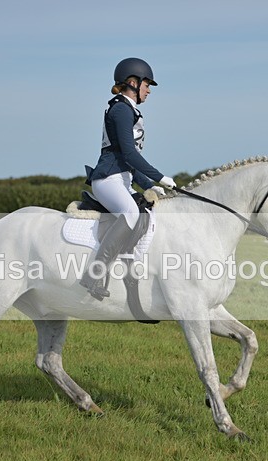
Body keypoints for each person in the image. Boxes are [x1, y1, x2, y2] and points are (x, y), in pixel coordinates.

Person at [80, 58, 176, 300]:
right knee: (131, 213)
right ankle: (94, 274)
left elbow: (130, 164)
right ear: (133, 82)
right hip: (108, 179)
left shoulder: (130, 110)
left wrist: (150, 186)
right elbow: (129, 155)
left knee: (147, 212)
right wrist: (160, 177)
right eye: (147, 85)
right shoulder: (121, 109)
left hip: (122, 179)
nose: (149, 90)